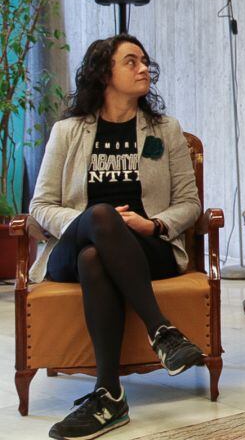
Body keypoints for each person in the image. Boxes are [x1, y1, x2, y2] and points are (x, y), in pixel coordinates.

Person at [29, 35, 205, 440]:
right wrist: (90, 221)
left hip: (146, 247)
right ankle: (162, 330)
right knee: (100, 219)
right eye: (131, 62)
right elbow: (40, 205)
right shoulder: (68, 131)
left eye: (144, 61)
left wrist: (152, 225)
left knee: (95, 258)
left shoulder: (165, 130)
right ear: (103, 73)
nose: (144, 68)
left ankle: (108, 397)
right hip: (73, 243)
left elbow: (189, 203)